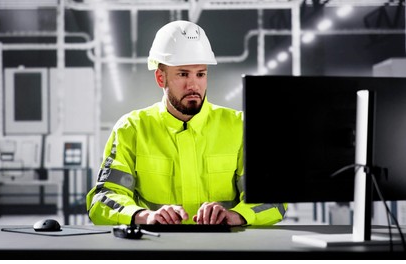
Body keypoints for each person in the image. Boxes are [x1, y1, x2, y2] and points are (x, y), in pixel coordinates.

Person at [86, 20, 286, 225]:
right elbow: (102, 198)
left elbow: (274, 200)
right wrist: (145, 216)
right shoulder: (132, 129)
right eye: (183, 74)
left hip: (224, 251)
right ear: (160, 78)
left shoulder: (241, 127)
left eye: (200, 74)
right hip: (158, 249)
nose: (193, 84)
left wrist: (236, 216)